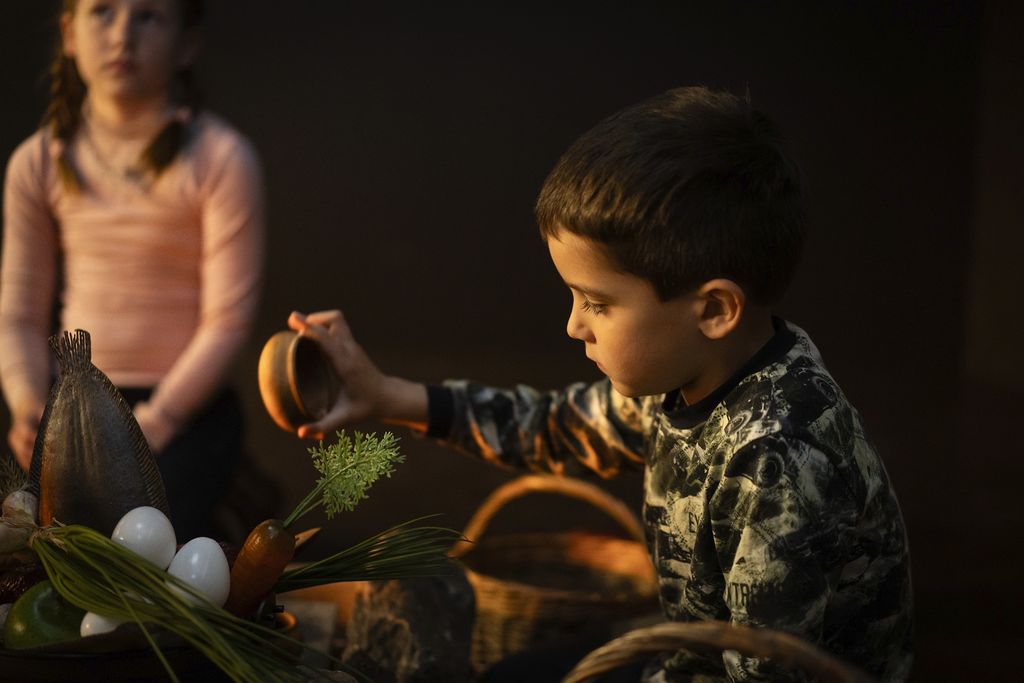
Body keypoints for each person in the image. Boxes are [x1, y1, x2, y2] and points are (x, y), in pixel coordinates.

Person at [287, 86, 913, 682]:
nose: (573, 325)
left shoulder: (778, 458)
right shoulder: (689, 371)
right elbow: (553, 429)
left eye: (597, 302)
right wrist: (387, 395)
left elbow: (764, 669)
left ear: (715, 310)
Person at [0, 0, 265, 541]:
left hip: (179, 406)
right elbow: (19, 316)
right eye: (102, 12)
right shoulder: (39, 162)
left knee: (142, 548)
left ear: (187, 45)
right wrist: (29, 406)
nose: (123, 35)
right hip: (69, 398)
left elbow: (228, 323)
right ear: (70, 33)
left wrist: (159, 422)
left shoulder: (220, 158)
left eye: (149, 16)